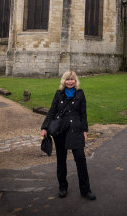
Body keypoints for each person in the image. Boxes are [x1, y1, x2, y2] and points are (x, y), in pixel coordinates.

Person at [41, 70, 96, 200]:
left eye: (72, 79)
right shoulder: (58, 94)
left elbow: (83, 114)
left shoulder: (80, 94)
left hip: (75, 131)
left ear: (75, 81)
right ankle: (62, 187)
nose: (70, 82)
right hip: (60, 132)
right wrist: (44, 127)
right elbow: (51, 111)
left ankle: (85, 190)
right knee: (61, 161)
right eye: (68, 79)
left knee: (81, 160)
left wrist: (84, 131)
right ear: (64, 81)